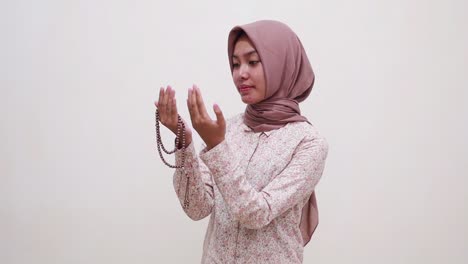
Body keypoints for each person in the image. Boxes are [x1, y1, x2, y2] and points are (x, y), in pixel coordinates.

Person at [155, 20, 328, 264]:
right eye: (235, 64)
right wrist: (183, 140)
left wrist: (216, 147)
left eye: (253, 62)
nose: (241, 73)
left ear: (281, 64)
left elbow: (257, 213)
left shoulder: (309, 143)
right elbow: (196, 208)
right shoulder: (227, 130)